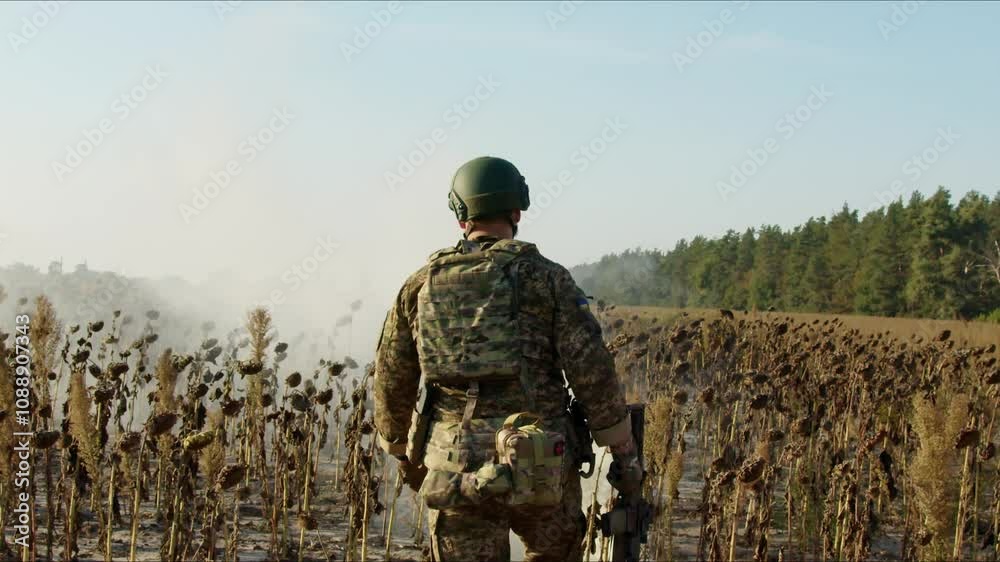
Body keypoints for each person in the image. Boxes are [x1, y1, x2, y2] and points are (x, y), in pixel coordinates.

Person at [373, 156, 641, 562]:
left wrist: (398, 448)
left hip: (455, 469)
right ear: (517, 211)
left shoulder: (419, 285)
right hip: (542, 462)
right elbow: (592, 373)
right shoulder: (549, 279)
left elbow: (392, 377)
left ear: (461, 215)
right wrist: (624, 453)